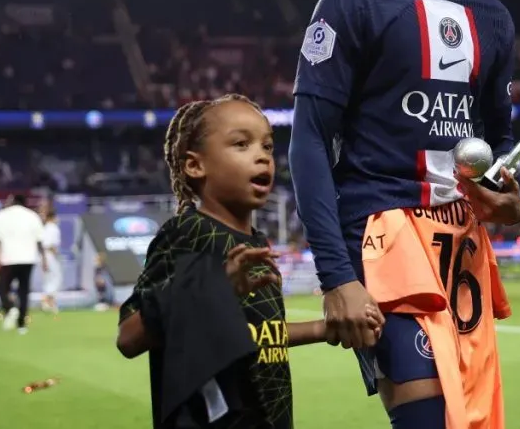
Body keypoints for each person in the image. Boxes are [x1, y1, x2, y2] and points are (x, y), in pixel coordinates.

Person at [290, 0, 520, 429]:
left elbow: (497, 140)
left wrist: (511, 194)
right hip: (382, 235)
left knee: (467, 417)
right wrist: (337, 277)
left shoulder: (492, 17)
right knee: (426, 414)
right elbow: (310, 140)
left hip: (461, 243)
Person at [116, 94, 380, 429]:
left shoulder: (254, 243)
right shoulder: (187, 233)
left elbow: (251, 336)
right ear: (195, 165)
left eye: (267, 146)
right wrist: (212, 287)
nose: (262, 156)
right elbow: (129, 336)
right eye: (241, 144)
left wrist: (323, 329)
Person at [0, 193, 47, 334]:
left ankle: (10, 308)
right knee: (24, 291)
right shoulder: (32, 216)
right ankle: (22, 325)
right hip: (28, 259)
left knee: (3, 289)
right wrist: (44, 259)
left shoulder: (2, 215)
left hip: (8, 259)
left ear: (12, 201)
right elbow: (39, 241)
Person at [40, 203, 62, 315]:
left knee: (49, 279)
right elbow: (50, 245)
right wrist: (57, 255)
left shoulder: (45, 228)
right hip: (50, 256)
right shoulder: (52, 228)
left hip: (45, 256)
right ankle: (49, 301)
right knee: (55, 278)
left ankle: (48, 302)